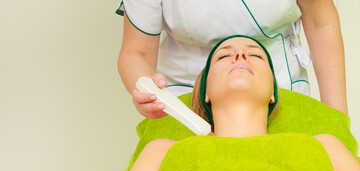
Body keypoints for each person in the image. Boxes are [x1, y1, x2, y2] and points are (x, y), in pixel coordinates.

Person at [104, 36, 360, 171]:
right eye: (224, 56)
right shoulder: (161, 150)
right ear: (205, 92)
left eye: (257, 55)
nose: (240, 55)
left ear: (273, 92)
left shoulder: (324, 144)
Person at [116, 0, 348, 119]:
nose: (238, 57)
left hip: (280, 87)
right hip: (182, 101)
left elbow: (321, 23)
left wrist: (337, 120)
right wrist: (145, 88)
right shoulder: (166, 152)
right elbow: (137, 52)